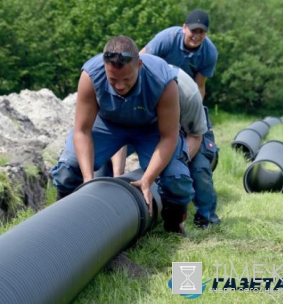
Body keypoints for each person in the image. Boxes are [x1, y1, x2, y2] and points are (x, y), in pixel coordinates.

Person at [51, 35, 194, 235]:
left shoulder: (163, 80)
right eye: (113, 80)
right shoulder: (91, 75)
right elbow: (82, 131)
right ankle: (62, 220)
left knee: (176, 179)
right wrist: (87, 180)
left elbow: (169, 137)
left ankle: (173, 223)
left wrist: (147, 179)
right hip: (108, 124)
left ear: (140, 65)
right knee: (67, 169)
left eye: (127, 79)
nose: (119, 86)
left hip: (150, 128)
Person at [140, 9, 221, 228]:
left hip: (188, 103)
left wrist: (191, 117)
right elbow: (141, 62)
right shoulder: (167, 39)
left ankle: (207, 216)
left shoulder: (209, 52)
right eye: (193, 30)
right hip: (159, 102)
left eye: (202, 32)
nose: (197, 35)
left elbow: (200, 87)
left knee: (201, 164)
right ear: (184, 27)